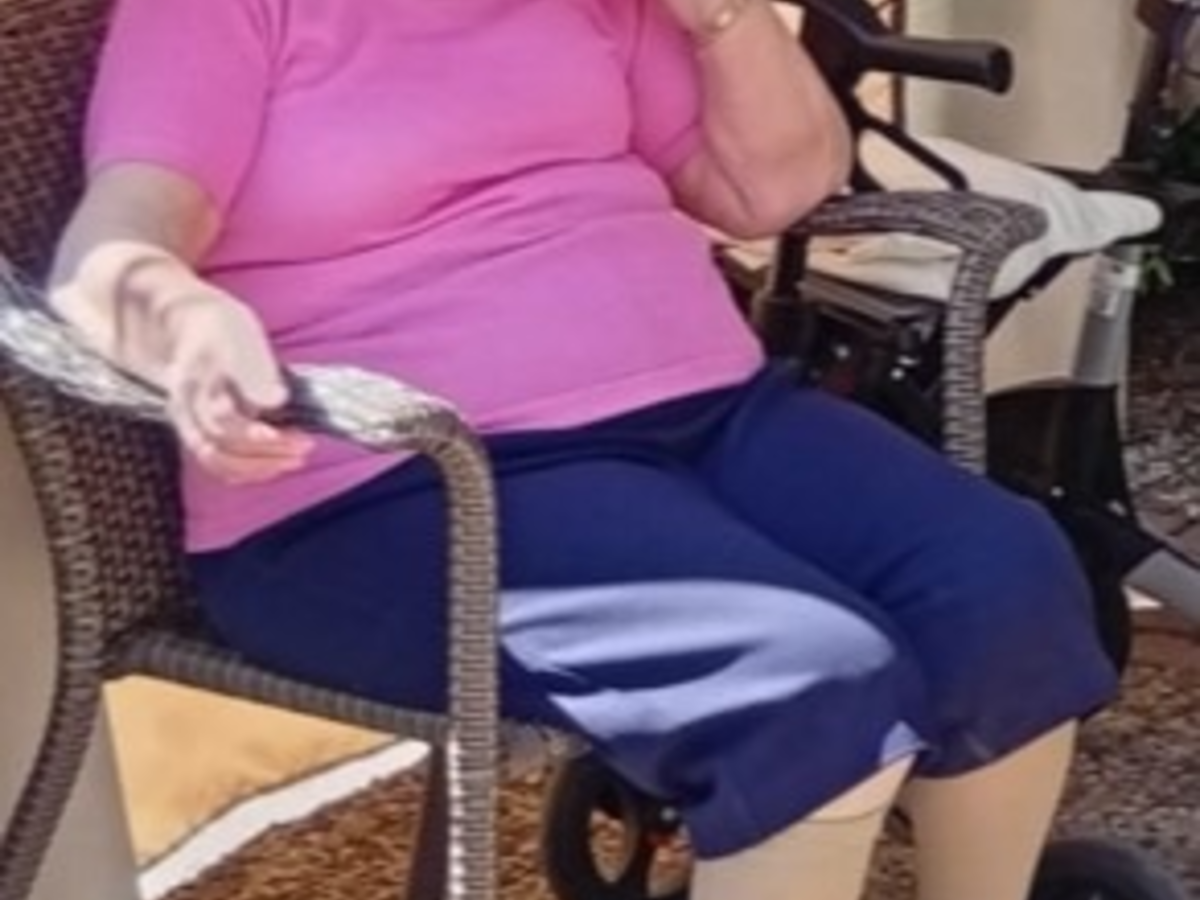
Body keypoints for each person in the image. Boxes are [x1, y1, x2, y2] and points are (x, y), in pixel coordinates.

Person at [48, 0, 1118, 898]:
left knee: (1002, 579)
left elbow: (771, 193)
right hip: (400, 483)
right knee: (799, 680)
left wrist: (722, 16)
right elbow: (115, 243)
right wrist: (184, 324)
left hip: (708, 409)